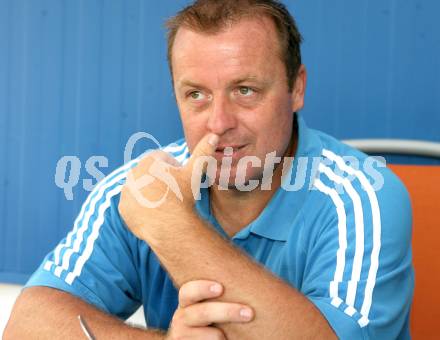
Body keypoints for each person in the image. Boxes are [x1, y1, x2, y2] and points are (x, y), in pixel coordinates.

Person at [5, 0, 414, 339]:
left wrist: (170, 225)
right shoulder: (141, 189)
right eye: (196, 94)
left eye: (245, 90)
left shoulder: (364, 198)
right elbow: (27, 323)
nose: (219, 122)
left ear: (297, 88)